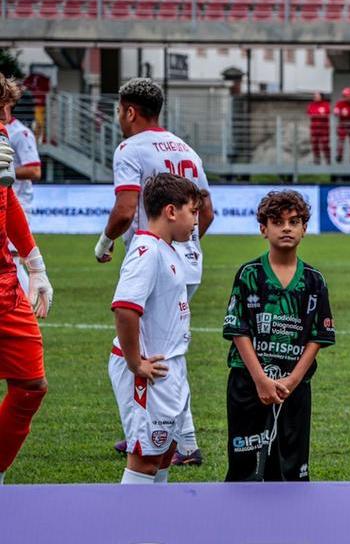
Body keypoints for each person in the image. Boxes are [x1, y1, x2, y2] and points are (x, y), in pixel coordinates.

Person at [97, 78, 215, 466]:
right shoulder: (186, 149)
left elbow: (125, 210)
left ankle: (152, 435)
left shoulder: (130, 148)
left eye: (119, 111)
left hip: (153, 259)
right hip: (188, 262)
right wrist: (184, 247)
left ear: (130, 111)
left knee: (134, 354)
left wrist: (105, 242)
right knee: (167, 349)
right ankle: (177, 439)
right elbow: (206, 212)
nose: (119, 118)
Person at [223, 190, 335, 482]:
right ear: (264, 229)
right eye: (277, 222)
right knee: (245, 468)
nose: (286, 228)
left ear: (304, 229)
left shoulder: (314, 280)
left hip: (293, 387)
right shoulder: (249, 274)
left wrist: (293, 380)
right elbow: (238, 330)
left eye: (294, 222)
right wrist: (260, 379)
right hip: (249, 383)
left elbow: (318, 336)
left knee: (291, 471)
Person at [108, 174, 203, 484]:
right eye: (193, 211)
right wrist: (136, 363)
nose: (196, 221)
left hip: (170, 365)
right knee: (145, 461)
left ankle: (155, 516)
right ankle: (130, 518)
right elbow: (125, 308)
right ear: (171, 211)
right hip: (149, 370)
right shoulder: (146, 252)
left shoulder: (167, 248)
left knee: (163, 455)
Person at [0, 133, 53, 485]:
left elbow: (7, 200)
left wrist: (35, 265)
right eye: (2, 109)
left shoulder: (1, 133)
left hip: (5, 283)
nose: (6, 118)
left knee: (31, 385)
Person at [0, 78, 41, 295]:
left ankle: (27, 300)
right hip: (6, 200)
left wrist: (7, 170)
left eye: (6, 105)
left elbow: (35, 170)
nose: (3, 113)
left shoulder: (20, 133)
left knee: (12, 259)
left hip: (16, 203)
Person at [306, 92, 331, 166]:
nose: (315, 97)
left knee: (325, 145)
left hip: (324, 129)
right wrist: (318, 115)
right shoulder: (311, 105)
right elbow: (309, 114)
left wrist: (318, 115)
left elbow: (327, 114)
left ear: (321, 97)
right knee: (315, 144)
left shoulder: (326, 105)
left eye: (317, 96)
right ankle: (317, 160)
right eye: (314, 96)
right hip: (314, 128)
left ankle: (328, 159)